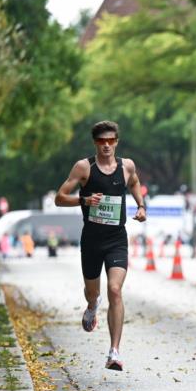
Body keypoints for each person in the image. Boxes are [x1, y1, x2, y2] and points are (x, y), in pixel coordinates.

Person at [55, 120, 147, 371]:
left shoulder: (127, 166)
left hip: (116, 239)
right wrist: (84, 200)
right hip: (92, 240)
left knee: (115, 290)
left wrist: (141, 206)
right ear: (95, 143)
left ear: (117, 142)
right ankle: (92, 305)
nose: (106, 145)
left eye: (111, 141)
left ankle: (114, 352)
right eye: (101, 141)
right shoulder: (84, 167)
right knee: (93, 292)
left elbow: (134, 182)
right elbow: (59, 198)